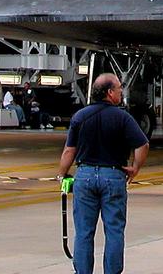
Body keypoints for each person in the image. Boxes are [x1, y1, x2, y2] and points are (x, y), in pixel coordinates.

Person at [57, 73, 150, 274]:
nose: (121, 92)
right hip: (113, 176)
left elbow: (69, 151)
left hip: (84, 175)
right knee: (114, 231)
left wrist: (62, 175)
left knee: (83, 232)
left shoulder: (80, 116)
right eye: (118, 89)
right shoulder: (123, 117)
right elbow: (142, 145)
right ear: (109, 92)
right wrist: (135, 168)